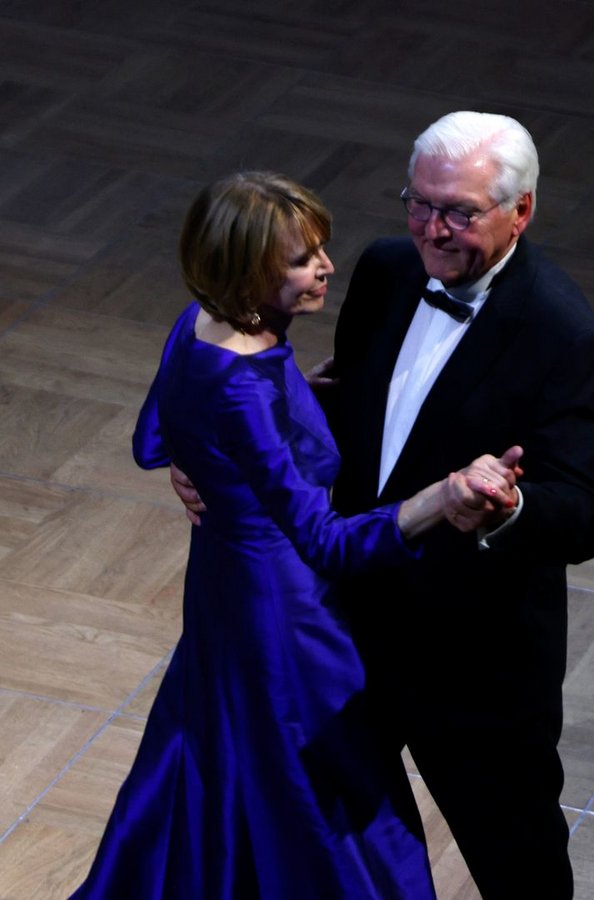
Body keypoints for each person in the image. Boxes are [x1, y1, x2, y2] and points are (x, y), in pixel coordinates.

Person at [74, 172, 518, 897]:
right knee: (322, 803)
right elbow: (328, 544)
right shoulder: (243, 387)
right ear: (248, 269)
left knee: (233, 770)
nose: (326, 268)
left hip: (221, 592)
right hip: (286, 616)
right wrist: (441, 496)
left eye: (321, 249)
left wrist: (249, 428)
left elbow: (153, 438)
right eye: (302, 258)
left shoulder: (197, 326)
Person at [313, 111, 594, 896]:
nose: (433, 230)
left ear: (522, 212)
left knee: (518, 865)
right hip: (348, 626)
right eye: (419, 203)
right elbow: (351, 415)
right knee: (331, 846)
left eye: (459, 212)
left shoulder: (562, 331)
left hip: (475, 660)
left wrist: (509, 511)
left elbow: (585, 510)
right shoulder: (384, 270)